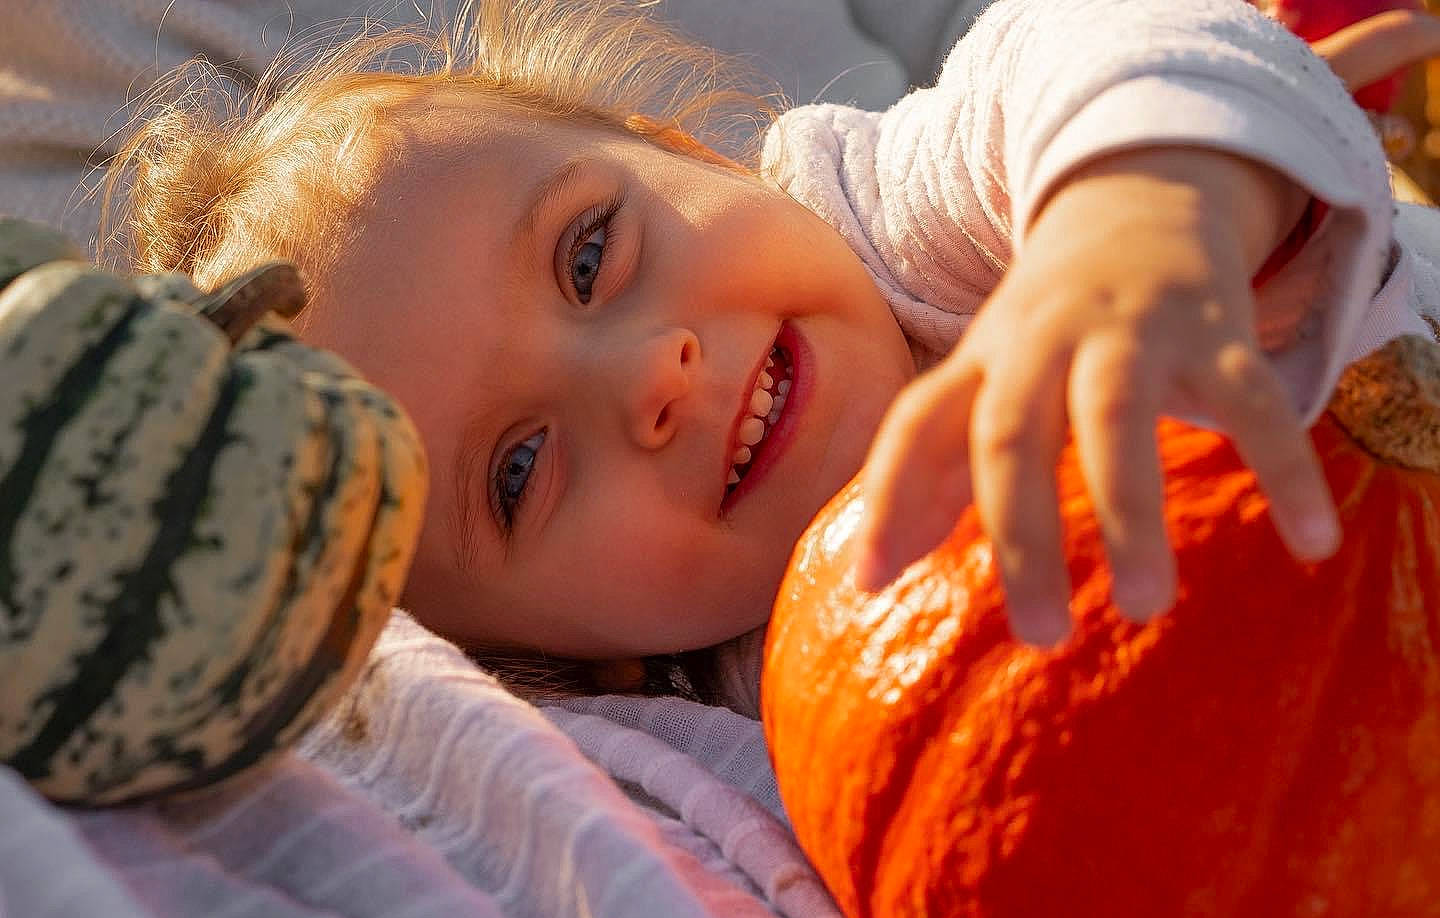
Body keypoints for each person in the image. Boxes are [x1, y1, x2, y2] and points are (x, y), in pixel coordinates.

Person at [99, 0, 1434, 696]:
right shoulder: (749, 717)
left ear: (685, 151)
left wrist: (1124, 226)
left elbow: (1108, 56)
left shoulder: (904, 224)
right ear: (563, 659)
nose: (648, 376)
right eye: (517, 471)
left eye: (589, 257)